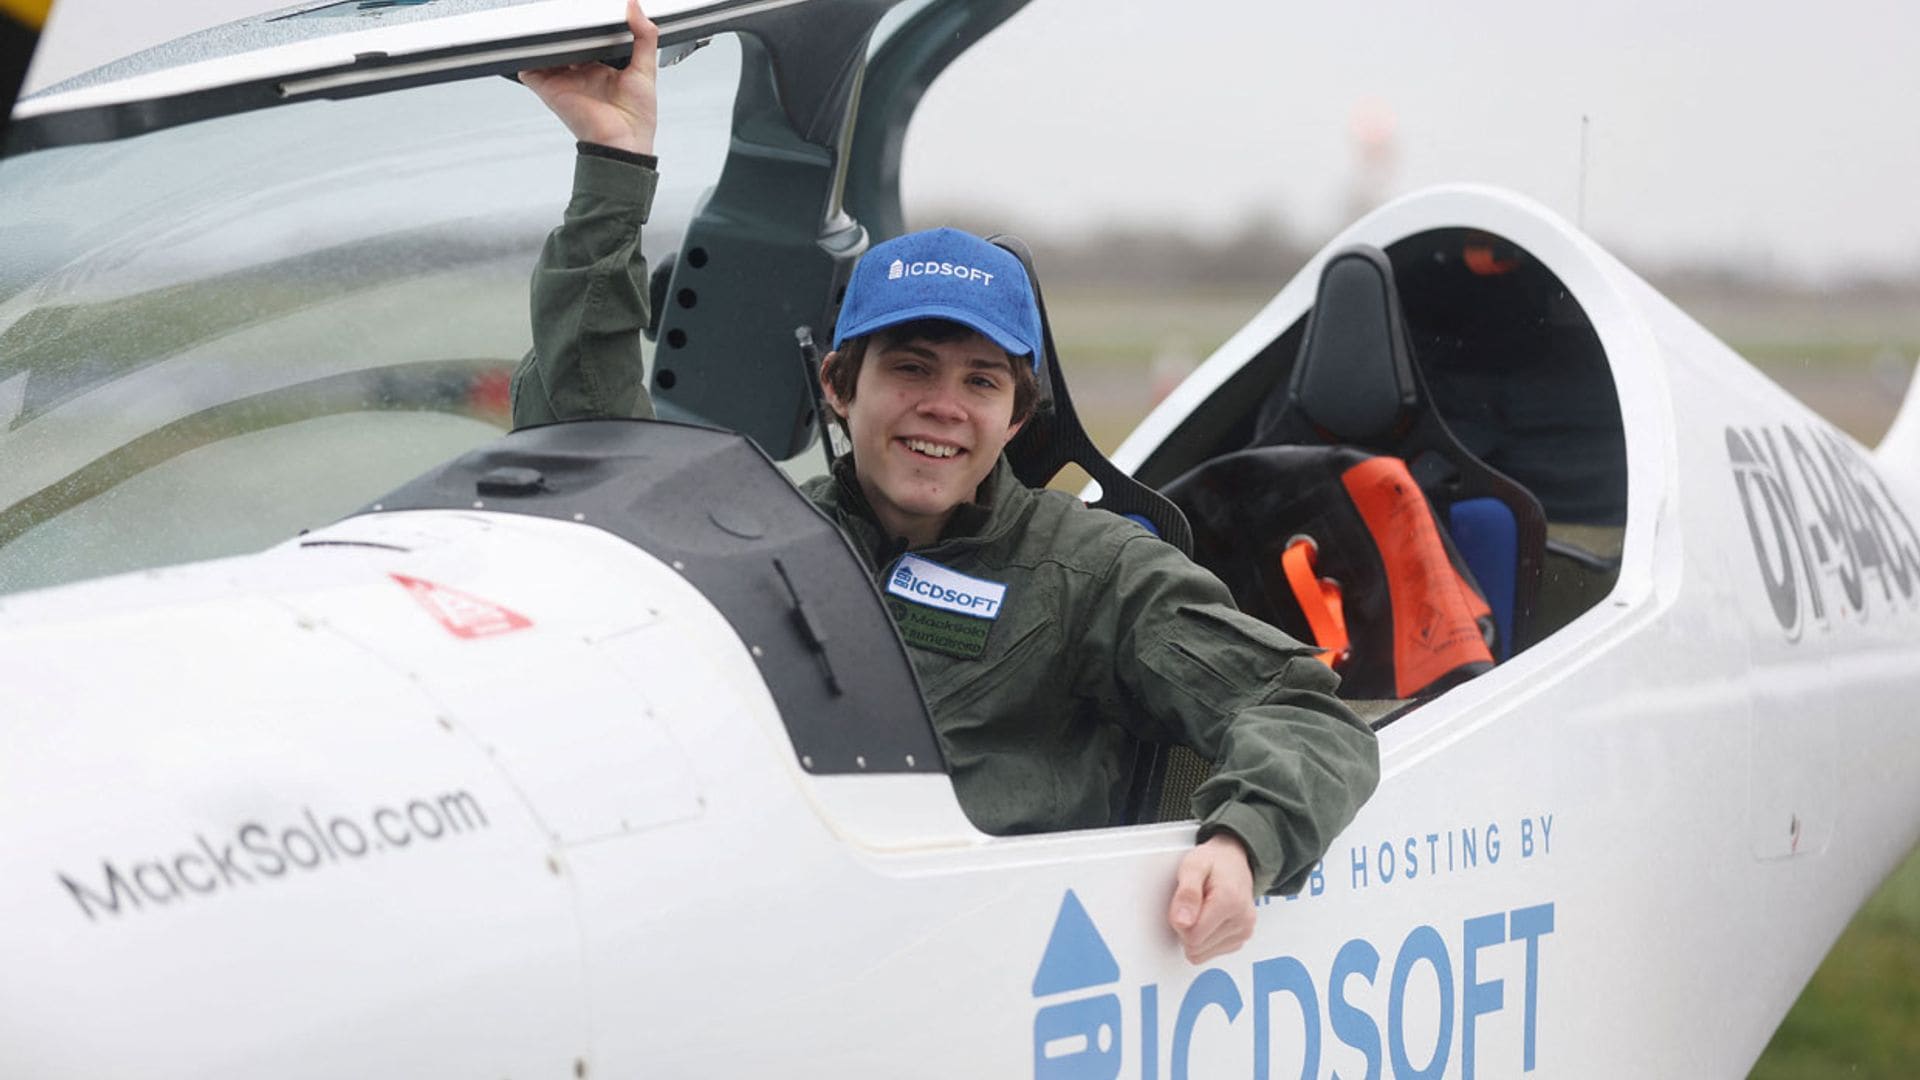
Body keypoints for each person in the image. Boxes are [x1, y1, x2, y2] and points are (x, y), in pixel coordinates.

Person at [512, 1, 1378, 965]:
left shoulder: (1092, 571)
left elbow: (1302, 714)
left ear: (1017, 417)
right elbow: (583, 464)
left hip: (983, 975)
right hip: (766, 945)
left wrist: (1243, 840)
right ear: (841, 388)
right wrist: (613, 168)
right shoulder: (764, 547)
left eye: (981, 381)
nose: (943, 407)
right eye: (911, 369)